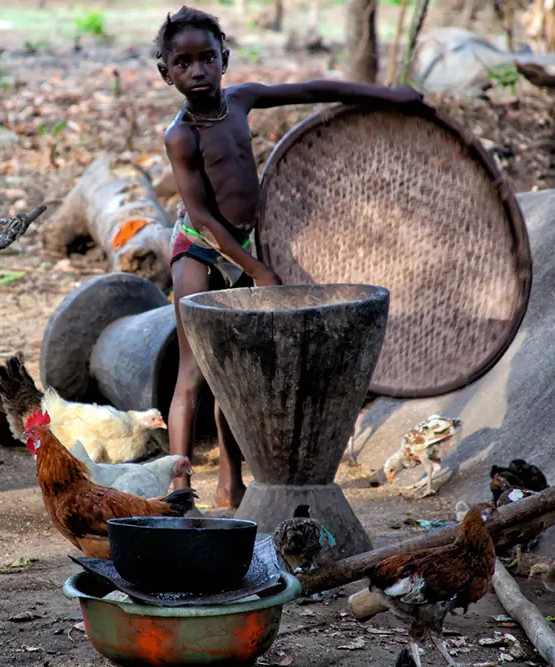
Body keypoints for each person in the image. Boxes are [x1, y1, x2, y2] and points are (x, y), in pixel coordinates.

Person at [157, 5, 423, 508]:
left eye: (207, 59)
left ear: (224, 59)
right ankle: (179, 485)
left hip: (244, 244)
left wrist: (390, 96)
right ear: (165, 73)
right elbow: (205, 217)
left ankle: (231, 475)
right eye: (183, 63)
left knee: (234, 370)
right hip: (199, 246)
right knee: (194, 371)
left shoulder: (241, 102)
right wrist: (257, 269)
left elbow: (310, 91)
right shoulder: (181, 135)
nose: (197, 72)